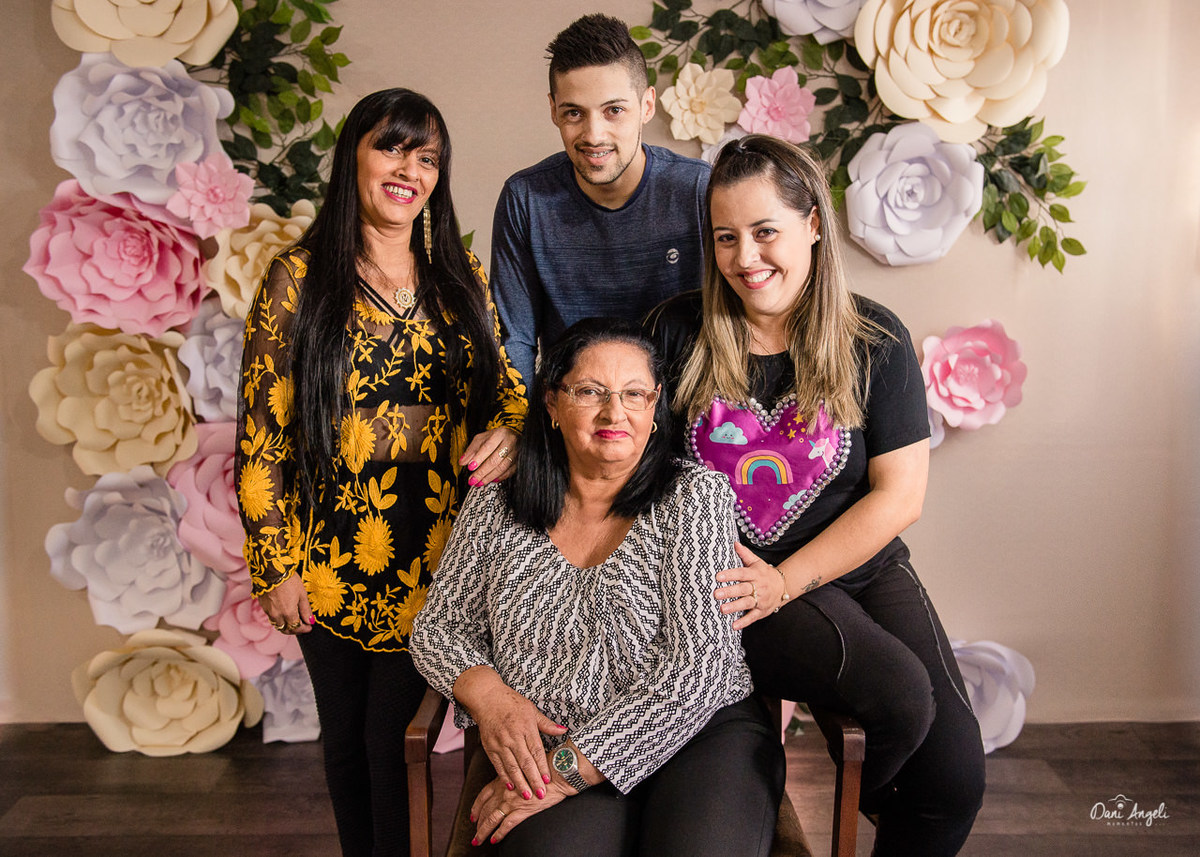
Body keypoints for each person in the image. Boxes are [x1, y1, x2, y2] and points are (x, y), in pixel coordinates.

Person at [646, 135, 986, 856]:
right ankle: (873, 795)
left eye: (764, 231)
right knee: (900, 694)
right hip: (735, 583)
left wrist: (792, 578)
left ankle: (890, 807)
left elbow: (899, 497)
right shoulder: (676, 332)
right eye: (726, 237)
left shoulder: (874, 338)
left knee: (955, 777)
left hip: (858, 564)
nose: (745, 257)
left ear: (811, 225)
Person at [236, 88, 526, 857]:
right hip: (326, 558)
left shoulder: (458, 273)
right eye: (391, 148)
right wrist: (274, 563)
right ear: (353, 158)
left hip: (435, 554)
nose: (410, 170)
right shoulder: (297, 279)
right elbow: (262, 434)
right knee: (345, 741)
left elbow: (507, 391)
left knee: (393, 740)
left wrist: (512, 430)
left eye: (427, 157)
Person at [410, 318, 784, 857]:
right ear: (552, 402)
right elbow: (438, 629)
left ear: (655, 407)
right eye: (590, 392)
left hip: (699, 737)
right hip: (558, 736)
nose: (615, 413)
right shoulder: (496, 502)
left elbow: (699, 671)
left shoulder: (693, 496)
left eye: (635, 394)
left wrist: (569, 771)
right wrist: (489, 697)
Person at [491, 13, 710, 385]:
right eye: (574, 113)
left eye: (614, 111)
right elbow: (515, 341)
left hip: (685, 405)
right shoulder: (526, 199)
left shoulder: (697, 189)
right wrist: (518, 417)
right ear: (553, 110)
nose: (594, 134)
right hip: (571, 407)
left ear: (647, 105)